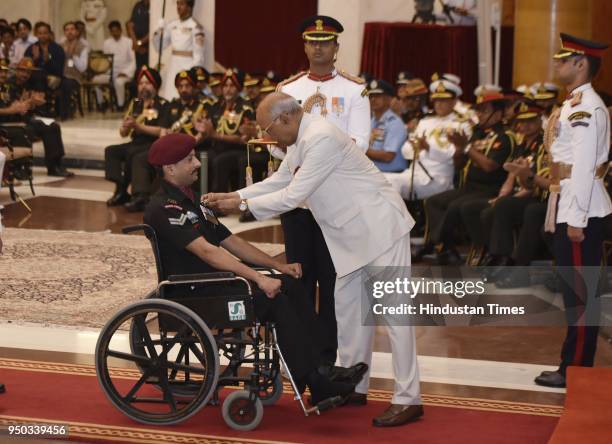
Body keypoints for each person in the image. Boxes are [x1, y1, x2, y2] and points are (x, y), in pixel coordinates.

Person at [204, 92, 423, 427]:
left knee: (394, 316)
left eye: (269, 130)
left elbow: (294, 194)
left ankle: (409, 398)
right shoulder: (301, 137)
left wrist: (241, 207)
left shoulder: (320, 137)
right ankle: (351, 385)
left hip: (380, 228)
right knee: (348, 311)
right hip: (350, 236)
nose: (270, 139)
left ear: (285, 119)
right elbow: (281, 179)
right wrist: (234, 195)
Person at [144, 132, 366, 410]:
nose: (197, 164)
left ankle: (323, 368)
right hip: (195, 291)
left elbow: (231, 241)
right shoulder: (164, 208)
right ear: (169, 168)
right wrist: (259, 278)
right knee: (275, 299)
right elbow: (208, 252)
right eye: (189, 160)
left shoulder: (194, 202)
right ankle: (316, 383)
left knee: (291, 284)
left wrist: (277, 266)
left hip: (217, 284)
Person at [272, 15, 371, 370]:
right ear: (304, 45)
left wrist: (315, 162)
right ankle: (300, 354)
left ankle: (327, 356)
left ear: (336, 47)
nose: (318, 47)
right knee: (299, 278)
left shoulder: (354, 90)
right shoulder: (288, 90)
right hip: (299, 201)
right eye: (312, 40)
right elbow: (275, 142)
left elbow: (360, 143)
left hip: (338, 203)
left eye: (325, 41)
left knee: (333, 283)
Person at [534, 33, 611, 388]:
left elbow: (582, 167)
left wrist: (576, 219)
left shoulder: (585, 107)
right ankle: (572, 363)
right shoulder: (572, 103)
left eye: (564, 59)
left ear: (581, 64)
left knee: (580, 295)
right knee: (574, 293)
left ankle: (575, 369)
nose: (557, 64)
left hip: (582, 209)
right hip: (571, 203)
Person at [423, 87, 514, 265]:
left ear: (498, 113)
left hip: (491, 188)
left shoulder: (505, 137)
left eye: (484, 110)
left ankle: (438, 244)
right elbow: (460, 165)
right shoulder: (477, 133)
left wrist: (466, 147)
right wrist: (458, 150)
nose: (479, 114)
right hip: (470, 187)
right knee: (432, 201)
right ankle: (445, 248)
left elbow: (489, 166)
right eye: (478, 110)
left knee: (458, 206)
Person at [127, 69, 204, 212]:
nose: (184, 89)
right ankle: (142, 197)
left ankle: (181, 198)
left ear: (193, 87)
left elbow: (202, 134)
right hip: (172, 149)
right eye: (180, 86)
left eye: (187, 86)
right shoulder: (172, 106)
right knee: (143, 157)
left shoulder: (203, 106)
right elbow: (164, 129)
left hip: (193, 149)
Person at [385, 77, 472, 201]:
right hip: (414, 174)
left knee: (391, 184)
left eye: (444, 100)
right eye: (436, 100)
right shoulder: (426, 122)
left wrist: (427, 148)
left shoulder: (461, 125)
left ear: (454, 102)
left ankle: (396, 220)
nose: (439, 104)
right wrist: (418, 148)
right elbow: (406, 151)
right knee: (378, 179)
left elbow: (452, 156)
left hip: (438, 178)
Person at [105, 65, 167, 207]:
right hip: (136, 142)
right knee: (111, 151)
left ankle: (140, 195)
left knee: (135, 154)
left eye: (147, 83)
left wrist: (139, 127)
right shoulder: (135, 104)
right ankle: (120, 188)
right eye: (141, 83)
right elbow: (123, 133)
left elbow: (161, 130)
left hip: (152, 143)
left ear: (155, 86)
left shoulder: (162, 104)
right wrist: (125, 127)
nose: (143, 86)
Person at [2, 57, 73, 176]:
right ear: (17, 71)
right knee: (27, 130)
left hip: (24, 118)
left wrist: (33, 104)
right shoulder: (9, 85)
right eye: (23, 71)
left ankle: (54, 165)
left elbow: (28, 106)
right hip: (12, 121)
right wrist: (29, 102)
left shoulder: (30, 84)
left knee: (53, 126)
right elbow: (14, 107)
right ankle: (22, 168)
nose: (25, 74)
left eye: (28, 72)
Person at [153, 0, 205, 101]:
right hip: (173, 67)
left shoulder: (195, 26)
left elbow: (199, 54)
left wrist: (193, 74)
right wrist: (159, 31)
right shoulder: (172, 25)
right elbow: (159, 46)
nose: (178, 7)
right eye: (177, 4)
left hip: (187, 66)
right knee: (170, 97)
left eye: (182, 4)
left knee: (184, 97)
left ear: (189, 7)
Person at [365, 79, 407, 173]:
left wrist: (361, 149)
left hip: (392, 174)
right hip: (374, 173)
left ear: (389, 99)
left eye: (378, 96)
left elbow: (388, 156)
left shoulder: (394, 123)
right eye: (371, 96)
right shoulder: (371, 121)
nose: (373, 99)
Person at [99, 21, 136, 109]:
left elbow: (133, 61)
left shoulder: (128, 42)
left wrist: (125, 72)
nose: (115, 33)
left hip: (125, 71)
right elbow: (105, 60)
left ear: (120, 30)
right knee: (97, 80)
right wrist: (105, 71)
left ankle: (120, 104)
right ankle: (101, 102)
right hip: (110, 71)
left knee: (118, 82)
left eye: (116, 31)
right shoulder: (107, 43)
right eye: (112, 31)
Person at [25, 22, 65, 93]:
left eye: (45, 33)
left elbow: (59, 70)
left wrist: (48, 60)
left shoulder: (57, 49)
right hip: (34, 77)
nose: (42, 36)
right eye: (40, 33)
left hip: (53, 77)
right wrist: (35, 59)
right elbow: (26, 68)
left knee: (40, 80)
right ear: (36, 34)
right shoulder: (32, 48)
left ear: (49, 34)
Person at [60, 21, 89, 120]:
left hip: (75, 78)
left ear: (76, 32)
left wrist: (73, 55)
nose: (69, 32)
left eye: (72, 29)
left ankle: (65, 113)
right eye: (67, 30)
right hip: (61, 76)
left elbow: (83, 68)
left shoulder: (83, 46)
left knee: (66, 84)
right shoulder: (61, 45)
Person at [127, 0, 150, 74]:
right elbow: (130, 25)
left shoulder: (154, 7)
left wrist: (139, 43)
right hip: (137, 46)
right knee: (139, 70)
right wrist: (135, 42)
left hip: (149, 47)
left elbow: (154, 31)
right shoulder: (138, 5)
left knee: (148, 71)